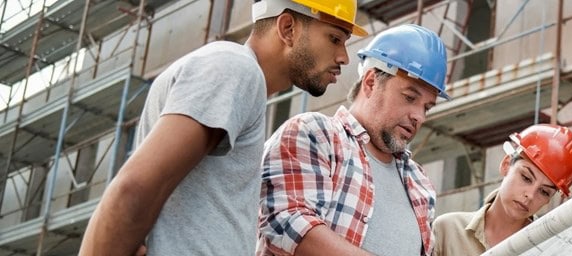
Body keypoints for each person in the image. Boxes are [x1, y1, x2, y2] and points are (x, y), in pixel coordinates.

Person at [79, 0, 367, 255]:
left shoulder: (240, 81)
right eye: (334, 38)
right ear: (288, 27)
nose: (344, 56)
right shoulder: (235, 69)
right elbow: (133, 189)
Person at [256, 24, 448, 256]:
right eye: (409, 97)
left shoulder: (420, 183)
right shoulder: (316, 134)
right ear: (370, 82)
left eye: (427, 107)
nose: (419, 115)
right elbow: (288, 225)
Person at [432, 124, 572, 256]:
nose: (530, 195)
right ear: (506, 164)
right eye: (526, 177)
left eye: (544, 192)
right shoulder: (448, 229)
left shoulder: (552, 248)